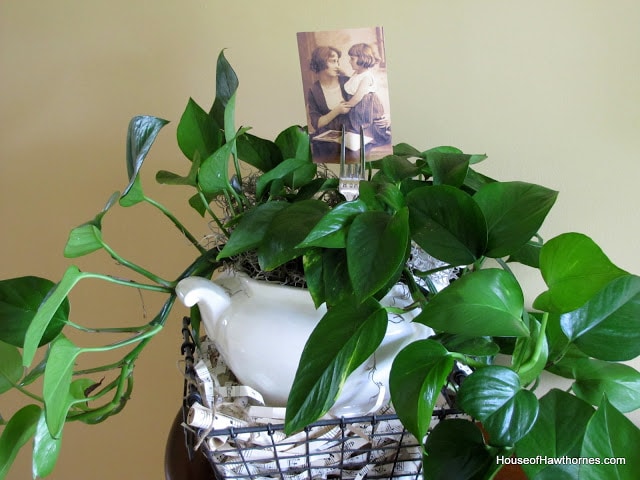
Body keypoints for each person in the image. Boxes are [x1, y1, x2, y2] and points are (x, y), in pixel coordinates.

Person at [343, 43, 391, 146]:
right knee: (355, 126)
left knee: (367, 127)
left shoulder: (366, 77)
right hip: (358, 107)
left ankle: (372, 137)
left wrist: (347, 105)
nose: (349, 61)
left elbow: (357, 97)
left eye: (352, 59)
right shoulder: (356, 73)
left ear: (362, 59)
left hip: (366, 107)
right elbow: (352, 86)